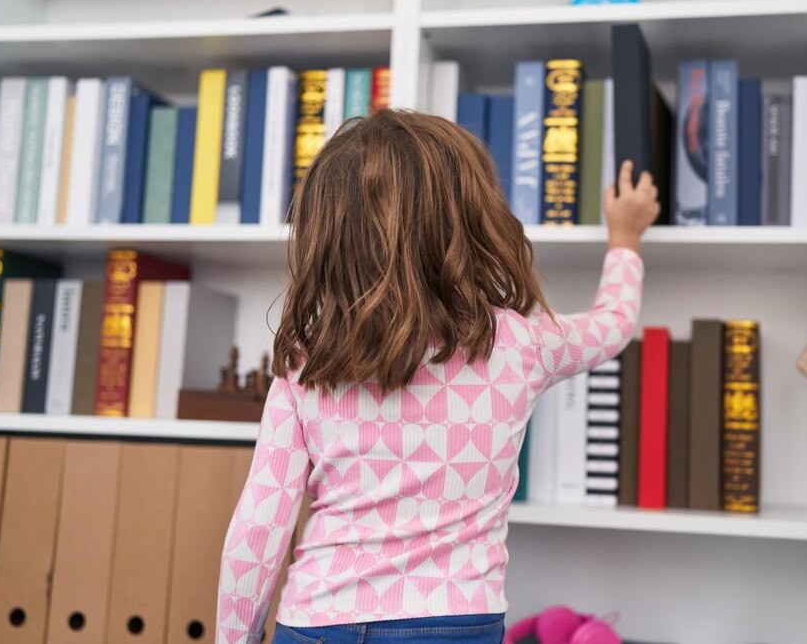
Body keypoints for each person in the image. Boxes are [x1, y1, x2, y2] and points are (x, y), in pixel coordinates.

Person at [216, 110, 659, 644]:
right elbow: (613, 325)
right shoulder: (520, 343)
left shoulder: (308, 361)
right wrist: (625, 237)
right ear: (473, 219)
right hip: (457, 617)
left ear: (327, 236)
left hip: (318, 618)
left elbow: (258, 527)